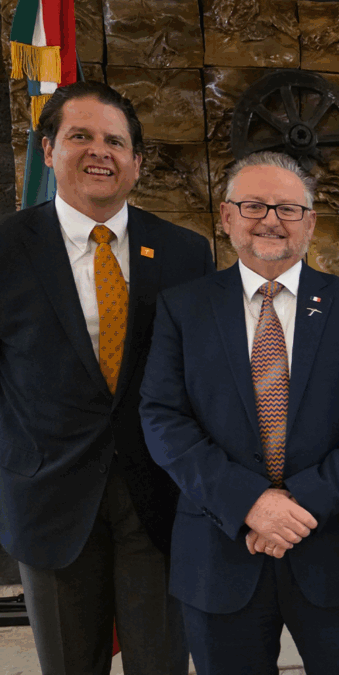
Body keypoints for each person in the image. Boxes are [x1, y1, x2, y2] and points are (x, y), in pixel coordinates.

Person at [139, 151, 339, 674]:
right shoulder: (182, 307)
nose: (270, 220)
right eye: (254, 205)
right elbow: (163, 418)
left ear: (309, 222)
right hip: (220, 553)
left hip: (337, 553)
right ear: (226, 216)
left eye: (287, 208)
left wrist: (294, 508)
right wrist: (250, 505)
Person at [0, 81, 214, 675]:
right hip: (48, 504)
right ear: (48, 150)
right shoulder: (6, 249)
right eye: (81, 136)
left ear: (137, 163)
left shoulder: (184, 253)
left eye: (116, 141)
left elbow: (202, 378)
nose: (100, 152)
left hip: (160, 502)